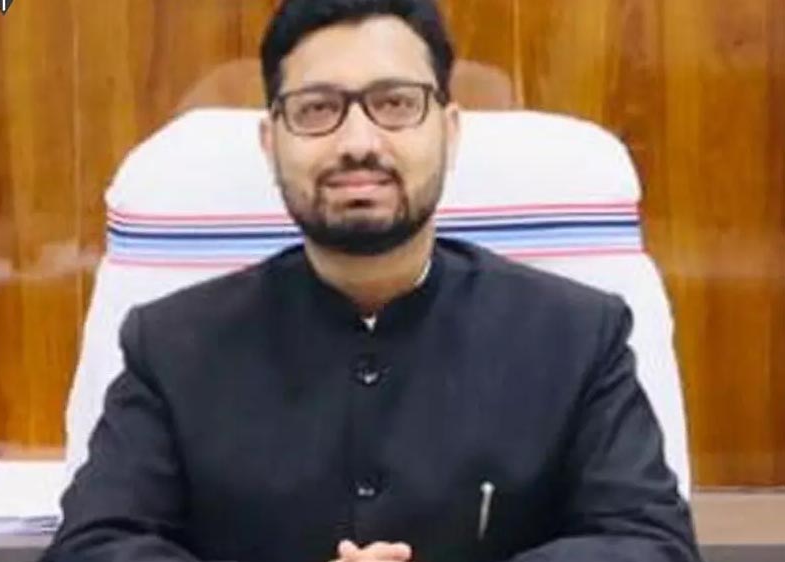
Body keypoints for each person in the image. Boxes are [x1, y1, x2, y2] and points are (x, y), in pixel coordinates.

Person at [43, 0, 701, 561]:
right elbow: (94, 546)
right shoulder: (171, 346)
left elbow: (648, 543)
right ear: (271, 143)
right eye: (317, 109)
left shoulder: (576, 336)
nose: (358, 141)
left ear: (448, 131)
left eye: (394, 104)